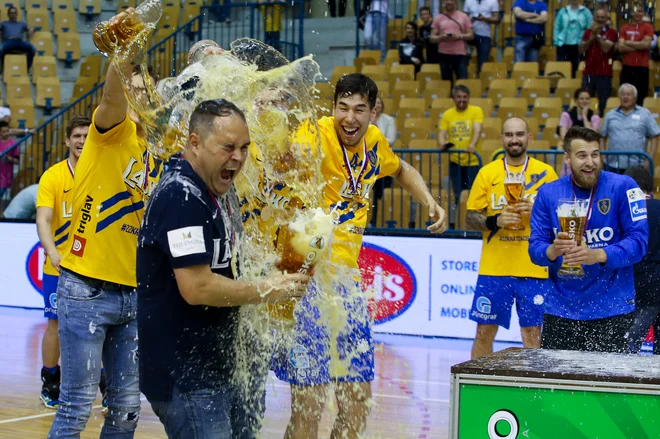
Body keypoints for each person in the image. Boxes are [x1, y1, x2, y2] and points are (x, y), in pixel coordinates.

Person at [272, 73, 447, 438]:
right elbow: (290, 158)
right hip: (303, 282)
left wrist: (428, 200)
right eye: (342, 108)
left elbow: (401, 170)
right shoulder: (316, 132)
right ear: (333, 107)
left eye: (359, 110)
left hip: (345, 283)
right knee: (309, 405)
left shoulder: (375, 142)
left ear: (374, 112)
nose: (349, 118)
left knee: (357, 401)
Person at [136, 99, 309, 438]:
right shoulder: (181, 196)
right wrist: (267, 290)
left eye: (244, 147)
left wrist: (279, 268)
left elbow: (228, 268)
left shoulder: (220, 190)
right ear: (194, 143)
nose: (239, 157)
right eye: (228, 147)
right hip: (186, 373)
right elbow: (197, 287)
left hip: (222, 364)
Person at [47, 8, 162, 438]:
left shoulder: (160, 153)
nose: (138, 94)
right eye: (135, 88)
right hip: (86, 287)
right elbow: (113, 95)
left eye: (144, 90)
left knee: (127, 410)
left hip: (134, 293)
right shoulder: (109, 130)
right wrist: (126, 54)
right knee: (76, 406)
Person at [529, 126, 649, 353]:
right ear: (567, 158)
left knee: (607, 386)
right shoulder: (547, 194)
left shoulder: (624, 187)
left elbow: (639, 242)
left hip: (612, 308)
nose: (590, 162)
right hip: (561, 309)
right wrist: (552, 251)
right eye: (582, 155)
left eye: (595, 154)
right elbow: (535, 248)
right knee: (558, 385)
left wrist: (598, 255)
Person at [466, 117, 557, 358]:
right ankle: (479, 388)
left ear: (529, 137)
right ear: (502, 138)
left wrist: (537, 213)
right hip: (495, 269)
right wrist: (494, 220)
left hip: (534, 267)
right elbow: (470, 218)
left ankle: (535, 392)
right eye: (509, 134)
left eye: (519, 134)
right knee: (484, 332)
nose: (514, 139)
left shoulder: (546, 173)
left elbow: (562, 216)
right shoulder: (488, 172)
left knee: (533, 334)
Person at [35, 116, 90, 409]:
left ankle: (106, 386)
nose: (82, 140)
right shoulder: (52, 177)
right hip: (58, 267)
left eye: (87, 135)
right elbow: (43, 219)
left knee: (101, 326)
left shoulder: (101, 174)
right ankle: (50, 381)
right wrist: (53, 253)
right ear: (67, 141)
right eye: (77, 136)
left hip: (95, 267)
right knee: (54, 324)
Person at [625, 166, 660, 355]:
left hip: (639, 286)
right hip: (655, 283)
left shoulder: (625, 212)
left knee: (629, 346)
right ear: (652, 189)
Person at [438, 85, 483, 229]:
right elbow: (441, 133)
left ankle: (473, 226)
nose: (462, 100)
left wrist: (472, 144)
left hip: (472, 161)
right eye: (459, 97)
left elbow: (477, 129)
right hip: (455, 162)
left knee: (473, 196)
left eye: (464, 97)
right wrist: (442, 143)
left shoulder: (476, 111)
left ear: (468, 98)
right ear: (453, 99)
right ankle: (461, 225)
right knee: (458, 196)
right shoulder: (448, 114)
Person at [600, 83, 659, 173]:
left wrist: (648, 160)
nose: (625, 97)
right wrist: (603, 158)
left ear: (635, 97)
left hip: (637, 166)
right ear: (619, 97)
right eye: (623, 94)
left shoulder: (645, 114)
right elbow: (602, 137)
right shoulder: (610, 115)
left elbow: (654, 137)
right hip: (612, 166)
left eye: (628, 94)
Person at [579, 6, 617, 116]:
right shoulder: (587, 32)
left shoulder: (612, 32)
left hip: (604, 73)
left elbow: (606, 48)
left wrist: (597, 35)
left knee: (603, 103)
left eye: (602, 17)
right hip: (589, 72)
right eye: (597, 17)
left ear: (606, 19)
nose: (600, 19)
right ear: (594, 18)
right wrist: (591, 37)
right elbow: (581, 50)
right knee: (584, 102)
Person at [618, 1, 654, 106]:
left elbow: (646, 45)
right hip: (627, 67)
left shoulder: (648, 27)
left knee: (640, 97)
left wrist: (628, 43)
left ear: (643, 13)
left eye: (640, 11)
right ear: (631, 13)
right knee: (624, 97)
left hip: (641, 67)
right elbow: (620, 47)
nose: (637, 13)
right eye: (635, 11)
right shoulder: (624, 28)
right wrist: (639, 45)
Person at [559, 89, 601, 176]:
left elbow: (593, 137)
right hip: (572, 153)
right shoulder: (566, 115)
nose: (584, 101)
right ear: (576, 100)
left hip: (589, 154)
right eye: (582, 98)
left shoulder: (594, 117)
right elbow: (564, 136)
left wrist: (585, 118)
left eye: (587, 98)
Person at [430, 0, 473, 82]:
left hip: (460, 54)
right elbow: (432, 38)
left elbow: (471, 35)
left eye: (451, 1)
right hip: (444, 54)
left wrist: (458, 36)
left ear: (455, 2)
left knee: (462, 80)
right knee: (446, 82)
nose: (449, 2)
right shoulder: (438, 18)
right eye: (447, 1)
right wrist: (441, 37)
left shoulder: (463, 16)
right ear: (444, 2)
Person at [553, 0, 592, 77]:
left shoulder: (586, 11)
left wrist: (587, 42)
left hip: (580, 45)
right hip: (563, 44)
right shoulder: (563, 11)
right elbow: (557, 27)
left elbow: (590, 28)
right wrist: (556, 41)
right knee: (563, 69)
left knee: (577, 68)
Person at [464, 0, 500, 74]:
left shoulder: (493, 1)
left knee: (482, 64)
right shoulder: (468, 1)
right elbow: (463, 19)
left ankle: (481, 79)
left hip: (484, 36)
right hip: (470, 34)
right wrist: (469, 20)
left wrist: (485, 19)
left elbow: (496, 19)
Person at [0, 121, 18, 204]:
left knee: (4, 202)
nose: (6, 133)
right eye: (3, 132)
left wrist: (7, 158)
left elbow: (17, 161)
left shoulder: (13, 144)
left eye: (7, 131)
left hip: (7, 178)